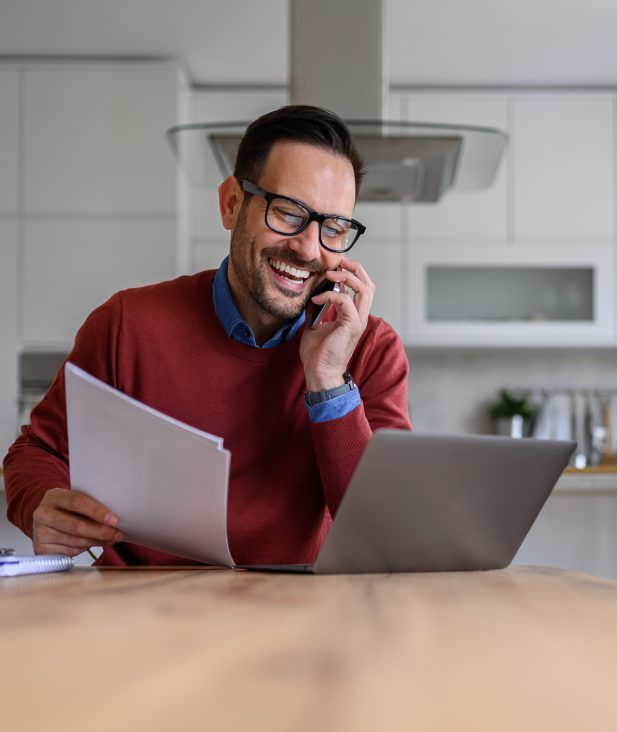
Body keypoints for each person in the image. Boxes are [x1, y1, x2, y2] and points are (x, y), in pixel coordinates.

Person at [3, 105, 411, 566]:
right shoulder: (125, 324)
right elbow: (37, 450)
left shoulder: (371, 349)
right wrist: (40, 500)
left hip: (299, 615)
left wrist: (328, 377)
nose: (308, 247)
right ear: (231, 204)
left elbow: (386, 538)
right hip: (135, 613)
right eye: (287, 213)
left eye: (333, 228)